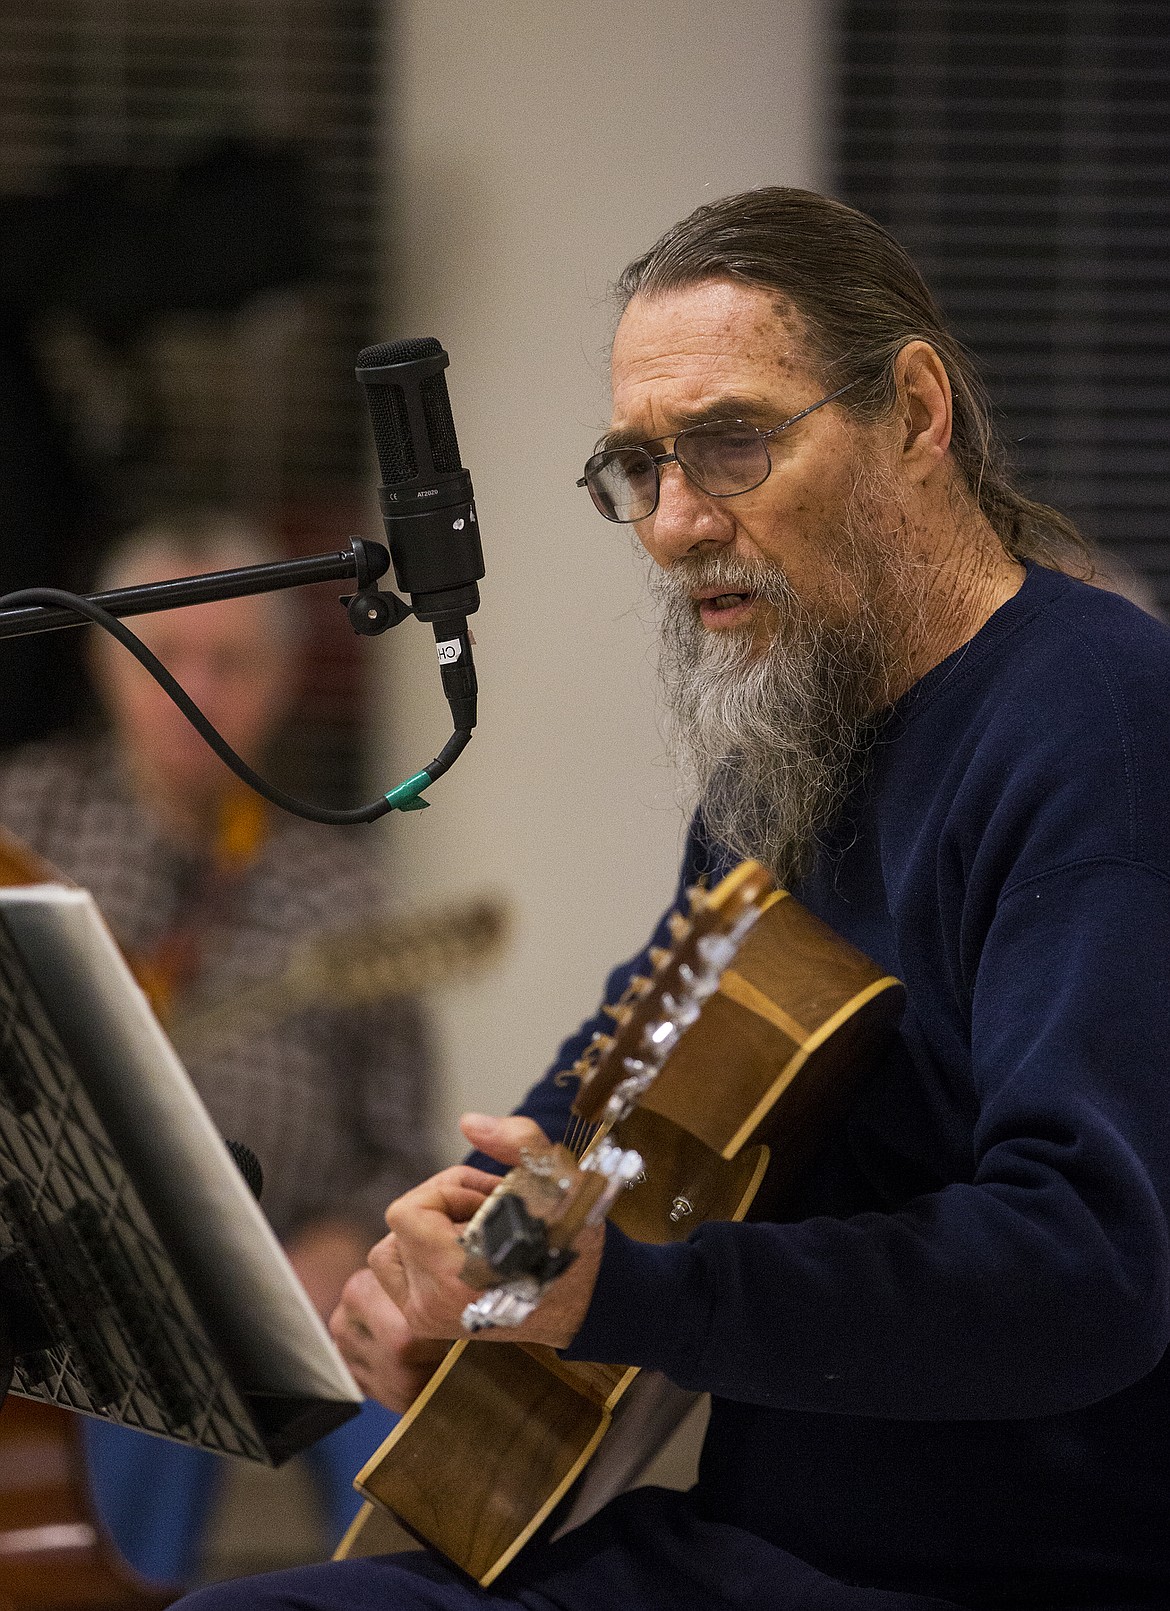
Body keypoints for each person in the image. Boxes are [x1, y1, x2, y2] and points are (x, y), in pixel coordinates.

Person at [178, 189, 1170, 1609]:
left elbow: (1086, 1265)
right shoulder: (791, 746)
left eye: (731, 444)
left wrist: (633, 1294)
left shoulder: (1098, 725)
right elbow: (619, 1088)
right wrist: (454, 1267)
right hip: (755, 1539)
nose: (675, 522)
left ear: (912, 410)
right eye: (638, 466)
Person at [0, 511, 436, 1585]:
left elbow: (400, 1138)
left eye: (228, 662)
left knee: (412, 1395)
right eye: (161, 656)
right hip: (81, 1259)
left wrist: (344, 1242)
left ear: (283, 684)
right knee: (141, 1332)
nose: (192, 688)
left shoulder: (342, 884)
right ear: (106, 667)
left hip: (298, 1271)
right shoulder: (26, 820)